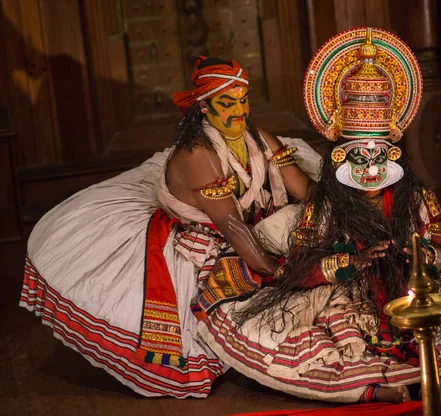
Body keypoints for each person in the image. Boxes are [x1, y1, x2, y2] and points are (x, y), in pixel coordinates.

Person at [196, 28, 441, 404]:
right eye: (358, 157)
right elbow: (300, 269)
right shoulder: (327, 204)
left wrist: (420, 257)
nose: (369, 168)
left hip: (414, 290)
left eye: (378, 155)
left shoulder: (414, 196)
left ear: (393, 156)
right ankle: (404, 388)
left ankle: (426, 379)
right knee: (299, 346)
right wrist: (351, 264)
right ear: (340, 158)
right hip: (348, 296)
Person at [19, 56, 322, 398]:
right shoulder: (198, 155)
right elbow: (232, 225)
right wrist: (279, 271)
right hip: (207, 236)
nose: (239, 111)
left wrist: (332, 215)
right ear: (204, 108)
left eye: (243, 100)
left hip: (247, 228)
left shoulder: (259, 137)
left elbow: (303, 188)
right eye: (227, 103)